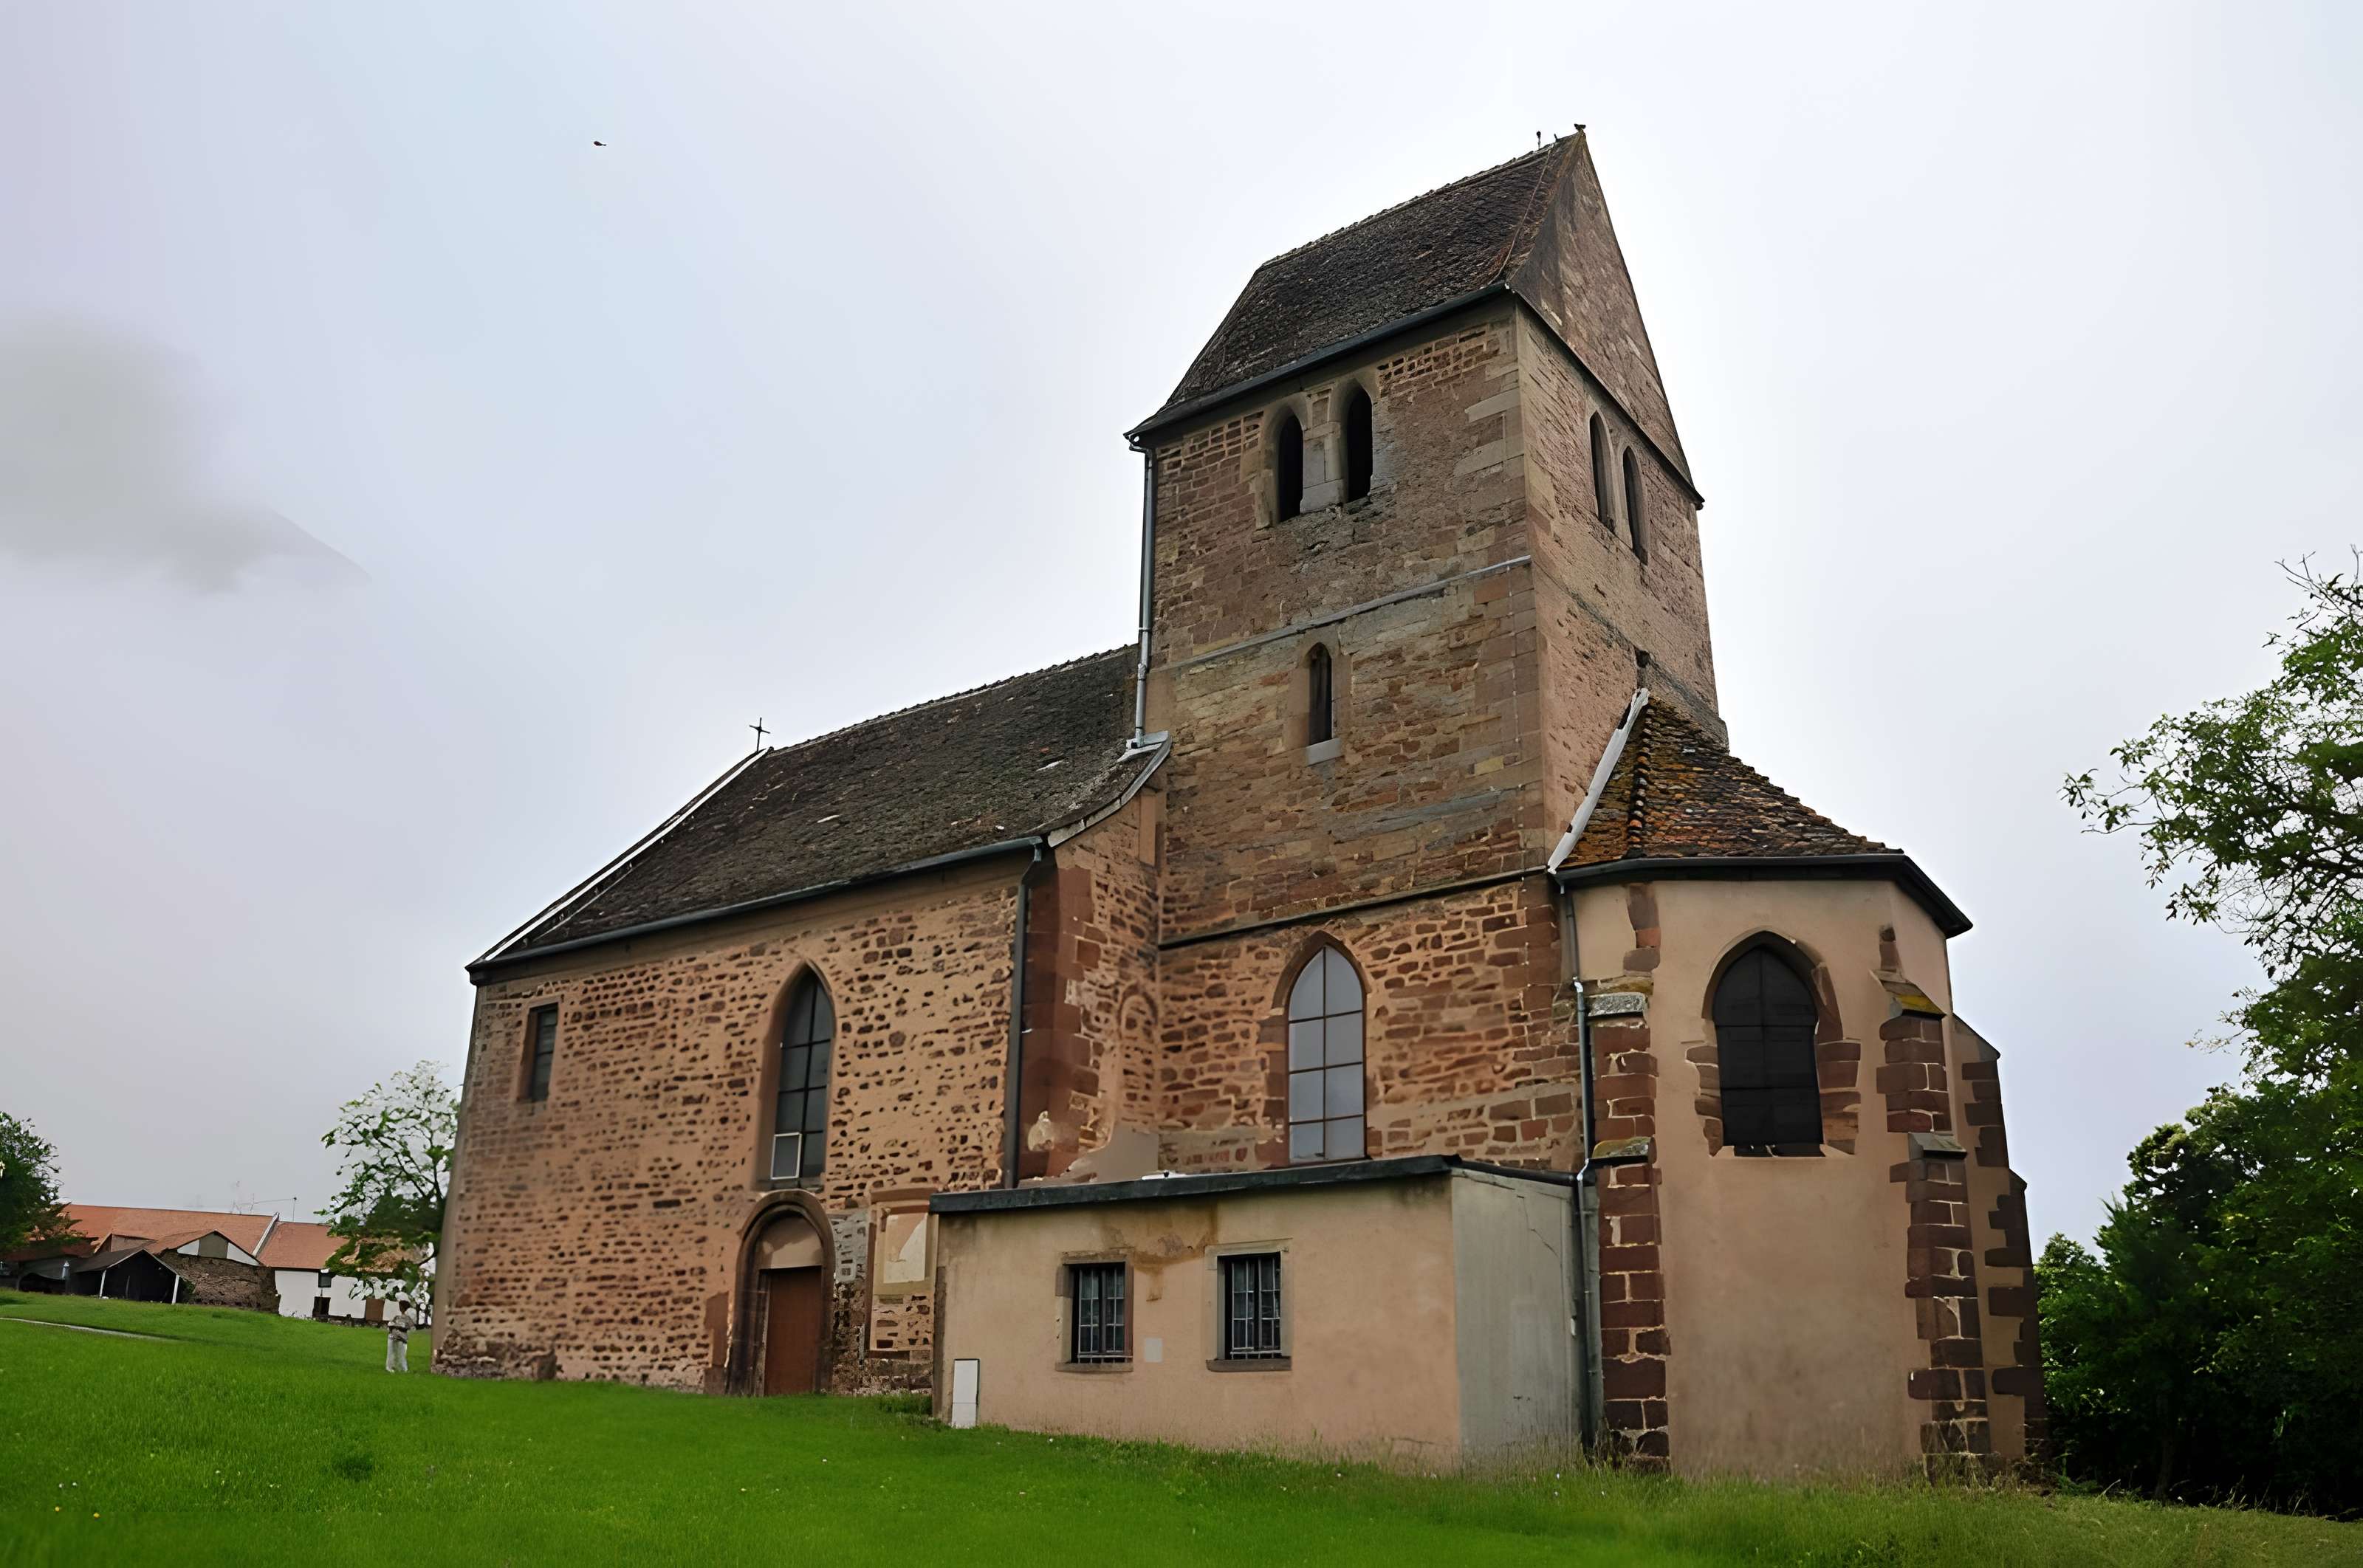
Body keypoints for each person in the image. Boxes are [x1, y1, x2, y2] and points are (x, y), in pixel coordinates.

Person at [385, 1298, 414, 1373]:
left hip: (402, 1337)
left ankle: (404, 1369)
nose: (399, 1307)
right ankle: (390, 1368)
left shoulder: (408, 1318)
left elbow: (411, 1327)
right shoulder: (396, 1316)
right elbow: (390, 1324)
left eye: (401, 1306)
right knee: (391, 1352)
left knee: (402, 1354)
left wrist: (401, 1327)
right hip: (393, 1336)